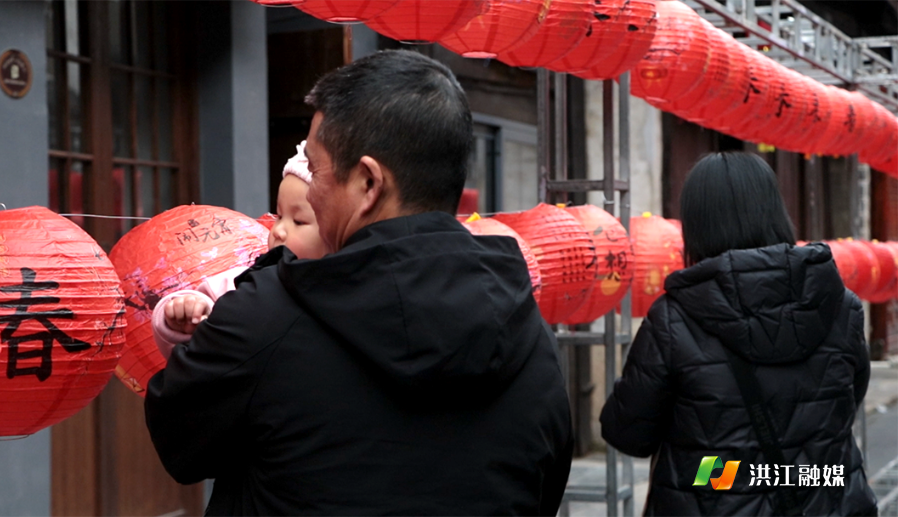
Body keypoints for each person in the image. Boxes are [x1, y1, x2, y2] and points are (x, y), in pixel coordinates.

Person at [145, 49, 573, 517]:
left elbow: (180, 442)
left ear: (368, 183)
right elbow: (544, 484)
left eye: (316, 168)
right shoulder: (526, 330)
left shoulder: (266, 317)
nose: (309, 189)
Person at [600, 152, 877, 517]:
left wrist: (717, 471)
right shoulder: (841, 307)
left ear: (697, 226)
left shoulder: (674, 320)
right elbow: (846, 402)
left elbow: (628, 433)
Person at [150, 142, 327, 359]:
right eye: (279, 216)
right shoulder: (238, 284)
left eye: (298, 221)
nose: (279, 230)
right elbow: (190, 353)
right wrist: (185, 315)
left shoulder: (351, 293)